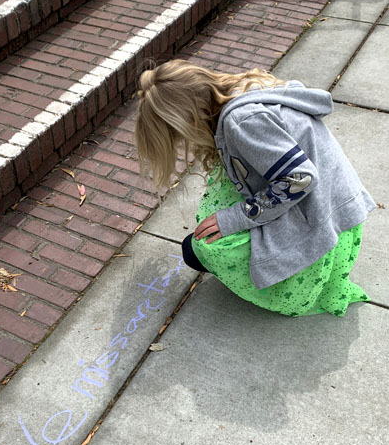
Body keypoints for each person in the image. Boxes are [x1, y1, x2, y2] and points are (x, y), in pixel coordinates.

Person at [134, 59, 376, 317]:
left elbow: (299, 179)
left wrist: (236, 218)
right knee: (210, 225)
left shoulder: (240, 121)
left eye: (177, 134)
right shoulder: (240, 91)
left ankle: (297, 282)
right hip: (335, 209)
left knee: (196, 250)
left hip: (323, 225)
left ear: (186, 120)